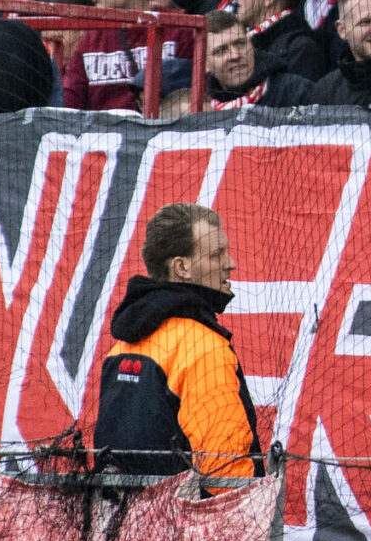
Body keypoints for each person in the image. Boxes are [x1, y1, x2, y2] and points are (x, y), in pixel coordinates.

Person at [93, 203, 260, 485]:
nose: (230, 262)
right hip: (193, 524)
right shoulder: (203, 346)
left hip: (124, 522)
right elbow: (225, 473)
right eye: (217, 254)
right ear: (181, 267)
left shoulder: (123, 346)